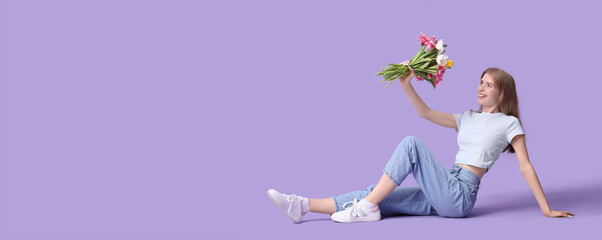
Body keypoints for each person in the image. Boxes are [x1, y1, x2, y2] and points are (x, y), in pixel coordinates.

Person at [266, 60, 575, 223]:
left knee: (411, 145)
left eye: (488, 84)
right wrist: (406, 83)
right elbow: (425, 113)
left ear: (502, 93)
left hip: (460, 195)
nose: (480, 87)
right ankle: (302, 206)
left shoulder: (509, 123)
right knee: (376, 194)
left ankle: (365, 209)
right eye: (480, 82)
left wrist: (546, 210)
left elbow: (526, 166)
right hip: (444, 187)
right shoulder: (466, 116)